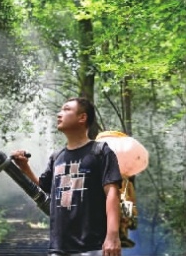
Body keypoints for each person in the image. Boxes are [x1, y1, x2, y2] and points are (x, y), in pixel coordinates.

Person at [11, 97, 122, 256]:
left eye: (66, 109)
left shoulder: (100, 151)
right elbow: (43, 189)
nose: (59, 114)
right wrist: (24, 167)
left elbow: (112, 193)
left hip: (92, 247)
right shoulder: (57, 157)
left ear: (82, 118)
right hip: (59, 247)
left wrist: (112, 236)